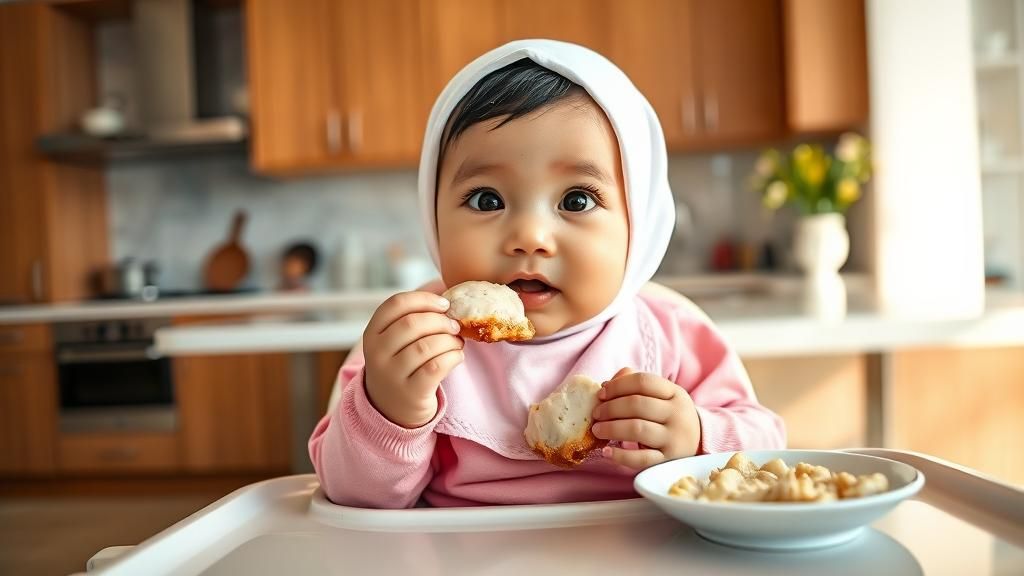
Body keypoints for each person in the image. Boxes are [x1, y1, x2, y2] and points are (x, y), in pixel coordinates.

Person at [309, 39, 785, 508]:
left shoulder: (672, 336)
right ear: (433, 219)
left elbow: (768, 450)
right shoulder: (414, 344)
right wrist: (390, 411)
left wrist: (698, 436)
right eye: (486, 199)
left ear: (637, 225)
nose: (529, 236)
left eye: (576, 200)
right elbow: (350, 497)